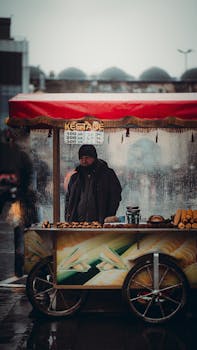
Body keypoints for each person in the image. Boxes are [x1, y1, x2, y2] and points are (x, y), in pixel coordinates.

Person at [65, 144, 122, 224]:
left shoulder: (107, 174)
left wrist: (109, 215)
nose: (84, 161)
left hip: (101, 223)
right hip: (78, 224)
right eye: (81, 158)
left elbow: (115, 196)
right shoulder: (75, 178)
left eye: (87, 158)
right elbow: (68, 198)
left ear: (94, 158)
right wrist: (68, 217)